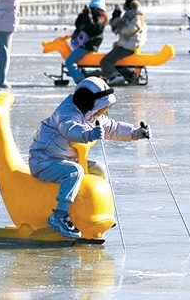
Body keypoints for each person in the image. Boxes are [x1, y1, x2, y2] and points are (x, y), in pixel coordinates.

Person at [27, 77, 151, 240]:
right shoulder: (67, 112)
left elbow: (112, 128)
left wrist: (135, 133)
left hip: (66, 159)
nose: (104, 111)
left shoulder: (92, 114)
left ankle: (102, 208)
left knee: (98, 168)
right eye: (102, 107)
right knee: (75, 171)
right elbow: (70, 130)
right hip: (44, 161)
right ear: (89, 102)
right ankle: (59, 216)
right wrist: (88, 134)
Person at [101, 0, 145, 84]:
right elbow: (116, 28)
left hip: (128, 46)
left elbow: (126, 31)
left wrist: (118, 22)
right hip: (128, 45)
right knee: (116, 63)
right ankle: (131, 75)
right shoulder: (130, 16)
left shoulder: (136, 17)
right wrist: (116, 18)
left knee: (105, 61)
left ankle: (116, 76)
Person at [64, 0, 108, 83]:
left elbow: (94, 28)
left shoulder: (100, 19)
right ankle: (83, 75)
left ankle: (80, 79)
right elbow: (78, 25)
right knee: (74, 61)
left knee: (70, 62)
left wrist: (88, 17)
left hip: (88, 45)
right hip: (84, 44)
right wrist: (83, 16)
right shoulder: (94, 16)